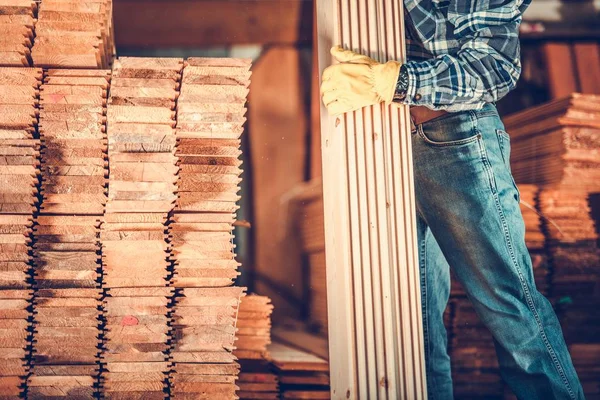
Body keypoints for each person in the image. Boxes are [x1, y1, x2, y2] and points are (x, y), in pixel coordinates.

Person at [320, 1, 585, 399]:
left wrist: (395, 81)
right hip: (381, 139)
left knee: (508, 305)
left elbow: (495, 66)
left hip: (454, 139)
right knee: (412, 325)